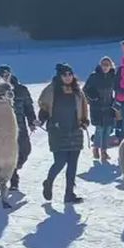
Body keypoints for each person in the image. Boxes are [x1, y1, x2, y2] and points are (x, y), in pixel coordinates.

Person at [38, 64, 89, 204]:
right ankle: (48, 182)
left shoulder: (77, 91)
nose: (68, 77)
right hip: (57, 130)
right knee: (60, 162)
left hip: (75, 130)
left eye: (70, 74)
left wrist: (84, 121)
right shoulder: (52, 90)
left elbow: (83, 107)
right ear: (60, 76)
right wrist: (40, 119)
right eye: (65, 75)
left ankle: (69, 194)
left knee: (73, 164)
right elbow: (45, 107)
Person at [0, 66, 37, 192]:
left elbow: (28, 107)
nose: (5, 77)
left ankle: (15, 167)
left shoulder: (21, 89)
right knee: (9, 155)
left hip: (20, 126)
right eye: (2, 75)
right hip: (3, 129)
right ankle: (13, 180)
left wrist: (31, 120)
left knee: (25, 150)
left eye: (7, 74)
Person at [84, 57, 118, 161]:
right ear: (100, 65)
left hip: (108, 106)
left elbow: (116, 89)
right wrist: (92, 96)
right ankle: (96, 148)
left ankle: (104, 151)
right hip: (97, 107)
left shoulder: (113, 76)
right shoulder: (94, 76)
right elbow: (85, 89)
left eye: (107, 65)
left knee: (108, 129)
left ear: (111, 66)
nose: (105, 67)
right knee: (99, 129)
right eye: (103, 64)